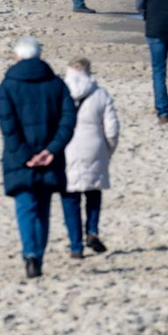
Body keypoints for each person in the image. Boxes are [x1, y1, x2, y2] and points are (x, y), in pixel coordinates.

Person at [0, 36, 76, 279]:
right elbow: (68, 122)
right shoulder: (56, 84)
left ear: (17, 57)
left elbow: (8, 126)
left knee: (26, 207)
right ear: (39, 55)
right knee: (42, 209)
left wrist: (26, 155)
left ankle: (31, 253)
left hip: (22, 159)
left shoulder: (8, 85)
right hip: (48, 157)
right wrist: (50, 151)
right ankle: (36, 256)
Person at [58, 58, 118, 257]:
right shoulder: (100, 94)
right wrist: (109, 149)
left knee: (70, 196)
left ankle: (76, 245)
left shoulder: (59, 92)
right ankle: (92, 231)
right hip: (94, 145)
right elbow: (112, 128)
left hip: (66, 145)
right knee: (94, 191)